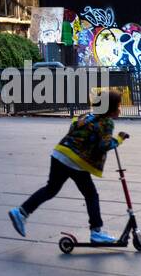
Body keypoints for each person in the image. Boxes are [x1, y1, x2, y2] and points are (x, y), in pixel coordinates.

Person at [8, 88, 129, 243]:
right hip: (76, 162)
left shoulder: (86, 116)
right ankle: (96, 232)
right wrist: (118, 139)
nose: (120, 109)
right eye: (118, 106)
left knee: (50, 189)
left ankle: (21, 212)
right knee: (91, 195)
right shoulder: (107, 122)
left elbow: (75, 131)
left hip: (59, 153)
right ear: (111, 109)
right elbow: (104, 145)